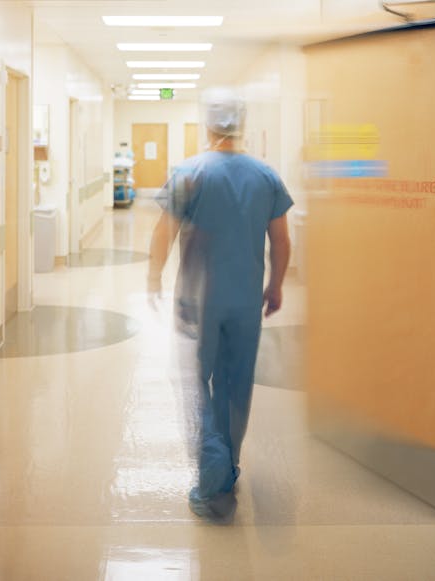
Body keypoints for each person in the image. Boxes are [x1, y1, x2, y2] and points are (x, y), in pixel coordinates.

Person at [147, 87, 293, 520]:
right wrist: (276, 285)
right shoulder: (266, 176)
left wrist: (153, 276)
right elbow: (282, 242)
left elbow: (163, 232)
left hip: (197, 302)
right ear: (242, 124)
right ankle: (228, 465)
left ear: (208, 124)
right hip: (244, 300)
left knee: (196, 385)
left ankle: (212, 478)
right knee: (235, 387)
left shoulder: (190, 172)